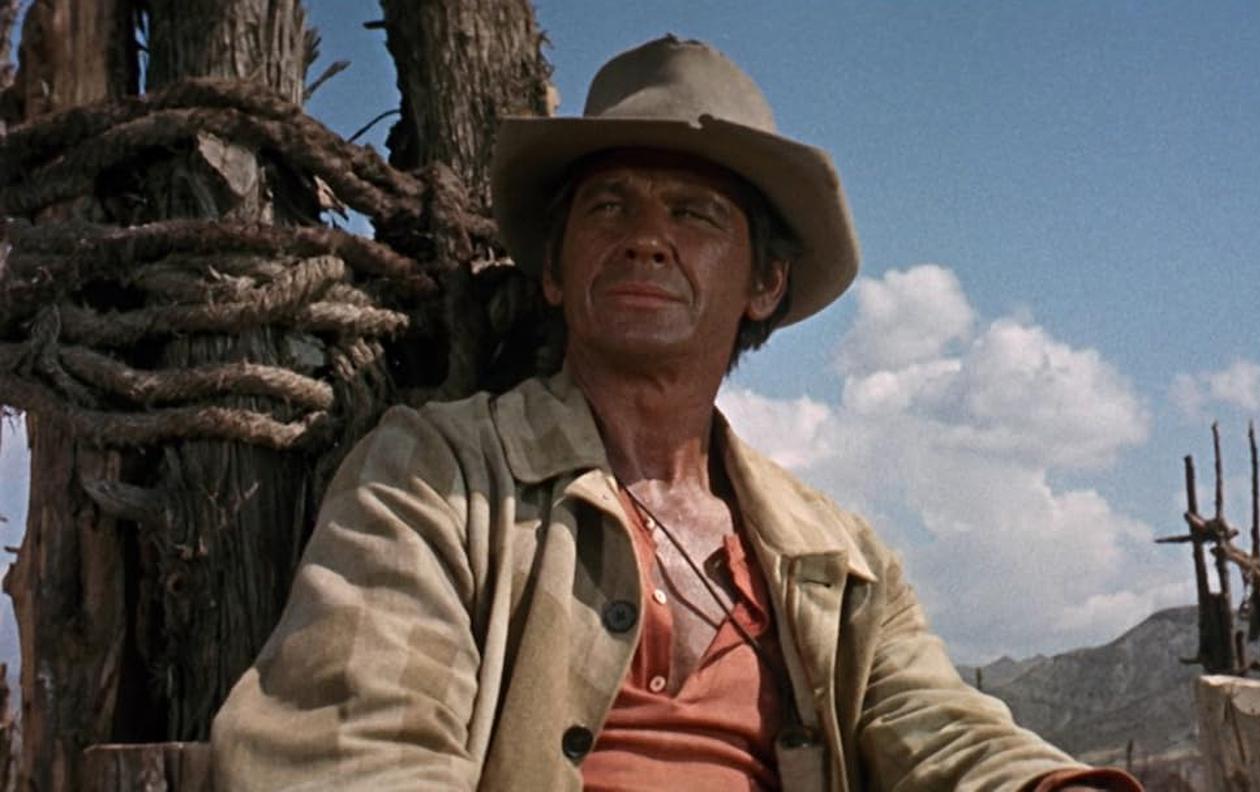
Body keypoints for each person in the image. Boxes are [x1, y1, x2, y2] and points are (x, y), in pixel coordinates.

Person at [211, 35, 1142, 792]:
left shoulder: (836, 559)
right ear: (555, 268)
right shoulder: (435, 480)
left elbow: (941, 729)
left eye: (695, 214)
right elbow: (351, 753)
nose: (646, 238)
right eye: (609, 206)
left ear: (765, 283)